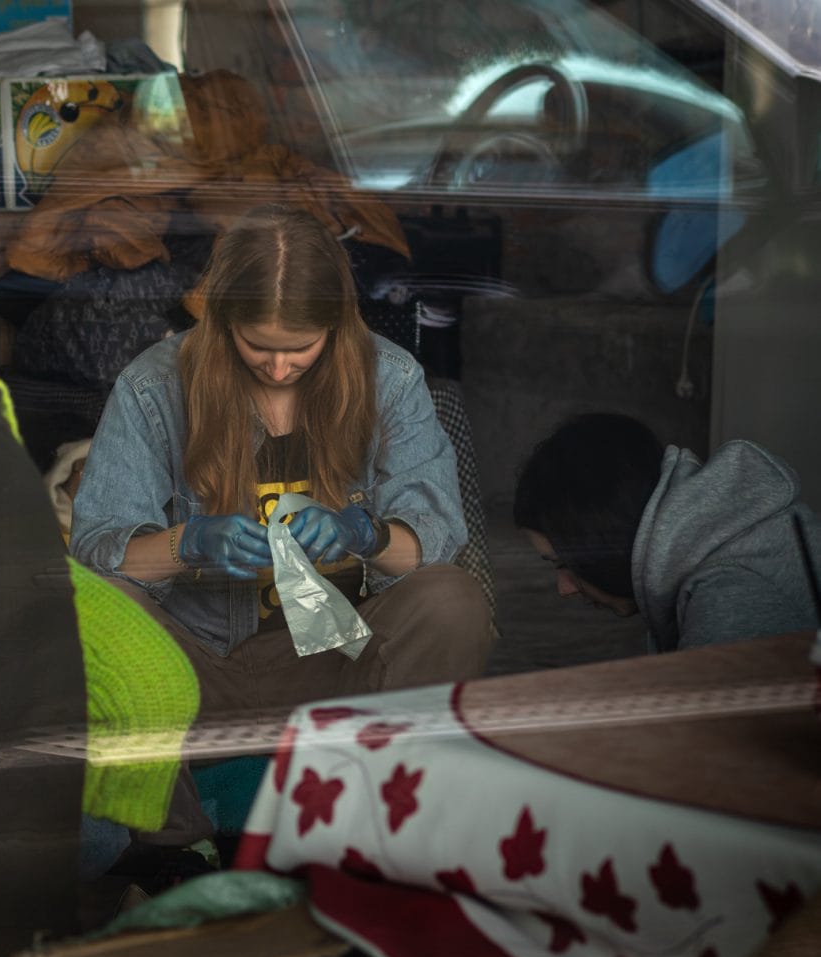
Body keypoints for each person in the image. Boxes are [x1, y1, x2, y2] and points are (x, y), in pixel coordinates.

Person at [69, 205, 492, 730]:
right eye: (257, 346)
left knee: (450, 600)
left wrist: (364, 533)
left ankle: (381, 803)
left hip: (341, 662)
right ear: (223, 320)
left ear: (336, 326)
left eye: (301, 348)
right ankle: (170, 817)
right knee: (93, 613)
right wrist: (188, 543)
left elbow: (436, 544)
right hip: (198, 664)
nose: (278, 368)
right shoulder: (154, 387)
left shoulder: (390, 379)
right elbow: (97, 559)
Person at [514, 412, 821, 652]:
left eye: (563, 563)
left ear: (602, 533)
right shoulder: (712, 547)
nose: (564, 589)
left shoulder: (728, 603)